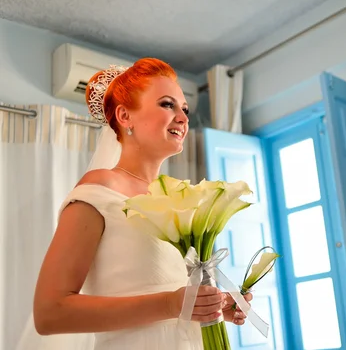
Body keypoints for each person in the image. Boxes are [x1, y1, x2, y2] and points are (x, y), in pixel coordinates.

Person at [25, 58, 251, 349]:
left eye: (184, 108)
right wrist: (171, 304)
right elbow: (49, 314)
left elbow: (171, 296)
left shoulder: (177, 199)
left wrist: (212, 306)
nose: (182, 117)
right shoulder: (99, 190)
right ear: (124, 116)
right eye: (167, 104)